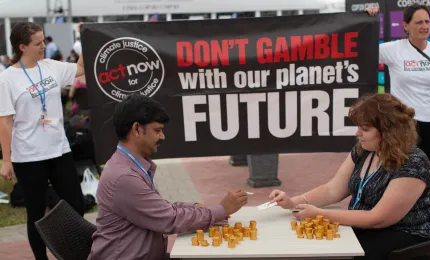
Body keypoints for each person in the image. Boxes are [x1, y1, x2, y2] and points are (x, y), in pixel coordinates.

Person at [269, 93, 430, 260]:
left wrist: (320, 215)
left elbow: (379, 218)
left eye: (365, 129)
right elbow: (333, 189)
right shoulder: (364, 150)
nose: (357, 133)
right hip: (369, 223)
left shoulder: (412, 163)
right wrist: (293, 203)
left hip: (408, 231)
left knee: (345, 254)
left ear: (388, 131)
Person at [88, 94, 249, 260]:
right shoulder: (124, 176)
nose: (162, 136)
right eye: (157, 130)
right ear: (136, 129)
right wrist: (221, 210)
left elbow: (160, 208)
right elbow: (170, 220)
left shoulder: (130, 165)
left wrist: (197, 207)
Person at [0, 22, 86, 260]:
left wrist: (85, 37)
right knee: (36, 214)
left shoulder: (50, 67)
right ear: (22, 47)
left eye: (43, 41)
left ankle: (72, 253)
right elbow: (5, 122)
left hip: (59, 150)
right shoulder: (7, 79)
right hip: (28, 156)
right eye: (37, 43)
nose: (43, 46)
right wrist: (6, 161)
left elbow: (80, 68)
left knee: (76, 205)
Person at [367, 4, 430, 185]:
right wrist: (369, 20)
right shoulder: (393, 49)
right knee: (402, 177)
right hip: (404, 124)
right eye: (418, 22)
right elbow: (363, 49)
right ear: (405, 26)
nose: (424, 26)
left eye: (427, 21)